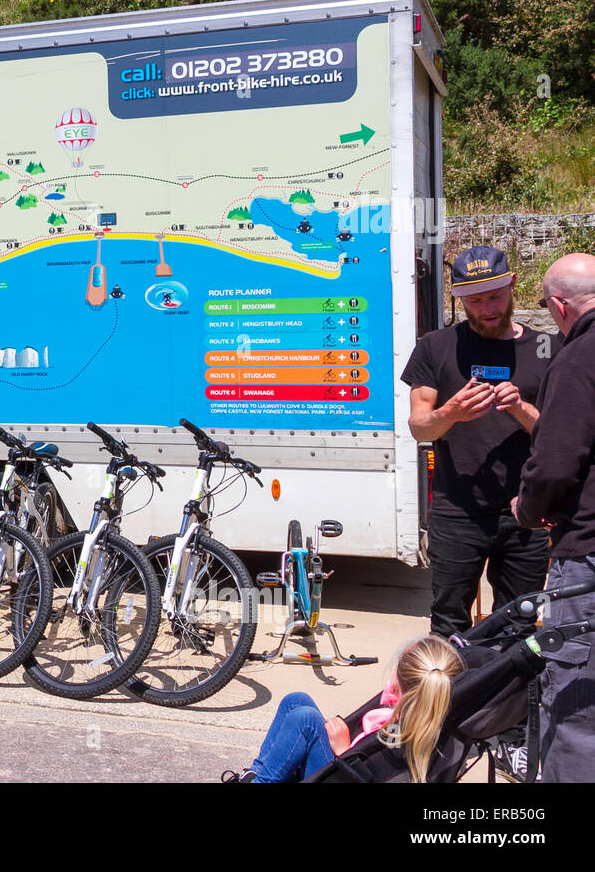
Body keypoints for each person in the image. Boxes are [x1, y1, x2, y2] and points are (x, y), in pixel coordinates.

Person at [401, 245, 555, 636]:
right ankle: (449, 697)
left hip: (528, 512)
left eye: (494, 297)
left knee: (518, 626)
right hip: (458, 512)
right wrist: (449, 414)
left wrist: (520, 407)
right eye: (474, 300)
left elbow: (558, 437)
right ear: (460, 299)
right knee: (448, 624)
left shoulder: (549, 348)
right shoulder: (436, 346)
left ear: (513, 285)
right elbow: (420, 427)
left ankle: (510, 699)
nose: (486, 308)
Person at [512, 252, 595, 783]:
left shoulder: (577, 357)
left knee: (576, 710)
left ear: (559, 306)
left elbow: (557, 460)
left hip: (587, 552)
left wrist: (530, 507)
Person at [222, 636, 465, 783]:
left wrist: (344, 751)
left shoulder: (412, 734)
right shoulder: (435, 718)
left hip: (349, 773)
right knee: (296, 700)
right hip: (347, 766)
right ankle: (253, 774)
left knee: (305, 719)